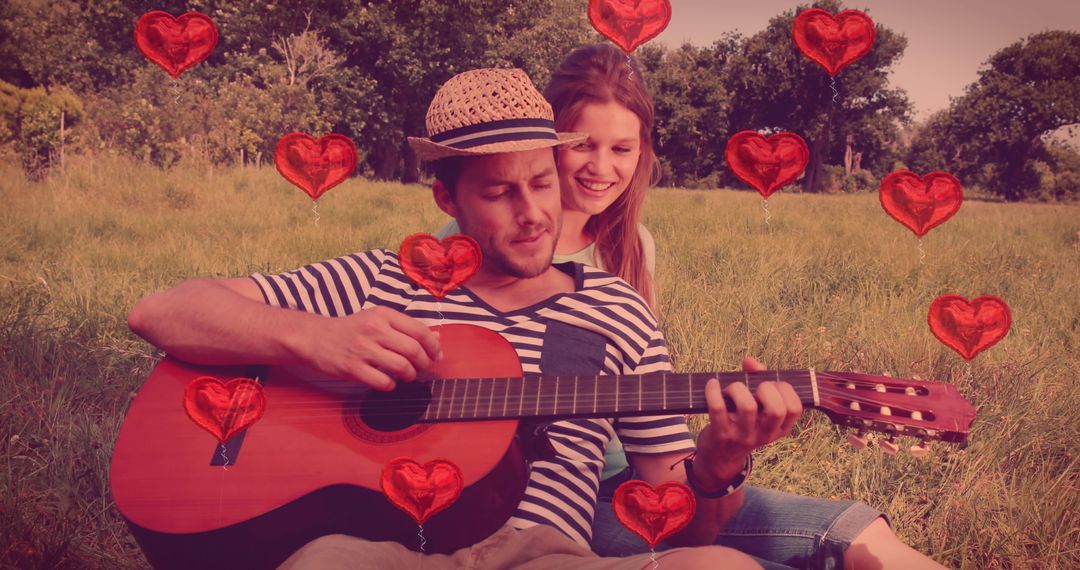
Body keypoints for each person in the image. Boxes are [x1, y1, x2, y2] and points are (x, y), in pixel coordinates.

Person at [126, 67, 775, 569]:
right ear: (447, 198)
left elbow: (683, 528)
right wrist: (316, 337)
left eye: (542, 183)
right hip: (375, 553)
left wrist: (720, 463)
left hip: (542, 556)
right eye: (498, 192)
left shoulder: (617, 309)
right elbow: (162, 311)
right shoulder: (380, 280)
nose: (532, 214)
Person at [441, 44, 946, 569]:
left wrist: (717, 455)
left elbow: (644, 393)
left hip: (638, 473)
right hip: (544, 490)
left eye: (622, 148)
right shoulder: (473, 242)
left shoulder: (630, 248)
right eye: (584, 145)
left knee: (857, 531)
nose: (601, 167)